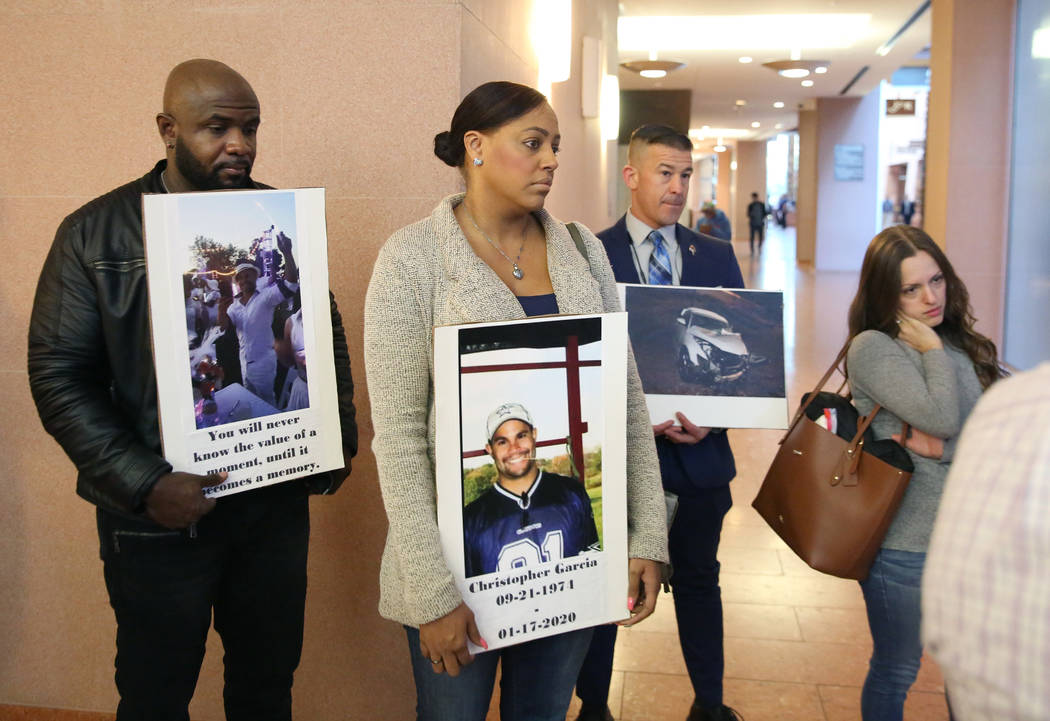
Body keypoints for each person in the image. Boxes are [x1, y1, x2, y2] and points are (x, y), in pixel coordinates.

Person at [27, 59, 358, 721]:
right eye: (218, 127)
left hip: (270, 508)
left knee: (266, 688)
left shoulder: (276, 223)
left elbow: (322, 332)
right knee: (155, 694)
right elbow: (59, 375)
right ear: (168, 130)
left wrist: (335, 437)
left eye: (250, 127)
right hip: (157, 516)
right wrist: (146, 482)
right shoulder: (96, 234)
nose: (241, 142)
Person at [364, 81, 668, 721]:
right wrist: (431, 593)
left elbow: (626, 404)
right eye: (532, 143)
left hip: (565, 566)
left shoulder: (582, 251)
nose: (552, 159)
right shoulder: (413, 261)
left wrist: (644, 536)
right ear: (475, 147)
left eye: (555, 145)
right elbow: (397, 438)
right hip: (460, 576)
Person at [576, 124, 745, 721]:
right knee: (605, 592)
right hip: (621, 462)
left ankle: (710, 704)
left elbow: (741, 357)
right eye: (664, 173)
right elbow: (581, 358)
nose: (676, 188)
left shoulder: (716, 255)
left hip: (698, 463)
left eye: (685, 175)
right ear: (632, 176)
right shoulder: (590, 254)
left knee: (700, 584)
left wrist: (714, 422)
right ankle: (594, 708)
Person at [844, 224, 1003, 721]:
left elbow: (997, 432)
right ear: (886, 293)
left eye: (936, 281)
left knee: (969, 670)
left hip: (969, 540)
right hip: (905, 544)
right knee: (897, 670)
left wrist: (942, 447)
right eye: (911, 289)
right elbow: (942, 418)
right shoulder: (874, 347)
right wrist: (931, 355)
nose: (930, 297)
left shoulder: (959, 342)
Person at [921, 362, 1048, 721]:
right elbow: (944, 420)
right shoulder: (1023, 403)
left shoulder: (1013, 399)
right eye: (911, 297)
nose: (930, 300)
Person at [463, 402, 600, 578]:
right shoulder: (472, 519)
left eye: (521, 436)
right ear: (490, 449)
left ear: (534, 435)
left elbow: (593, 572)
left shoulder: (571, 492)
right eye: (502, 442)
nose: (514, 449)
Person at [218, 234, 299, 407]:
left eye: (248, 275)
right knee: (249, 401)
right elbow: (224, 328)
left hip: (264, 364)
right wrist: (221, 311)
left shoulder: (265, 298)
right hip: (244, 363)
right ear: (237, 282)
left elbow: (291, 284)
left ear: (256, 277)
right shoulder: (234, 306)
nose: (244, 279)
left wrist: (287, 252)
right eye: (240, 277)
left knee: (266, 403)